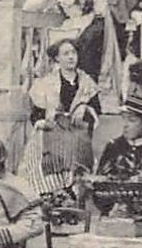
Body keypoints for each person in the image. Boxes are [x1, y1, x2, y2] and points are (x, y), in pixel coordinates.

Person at [26, 38, 100, 170]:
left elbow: (96, 110)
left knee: (80, 175)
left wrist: (85, 107)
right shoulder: (46, 83)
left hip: (79, 139)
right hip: (53, 138)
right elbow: (36, 115)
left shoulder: (87, 82)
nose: (71, 57)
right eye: (66, 54)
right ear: (57, 58)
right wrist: (43, 122)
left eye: (73, 53)